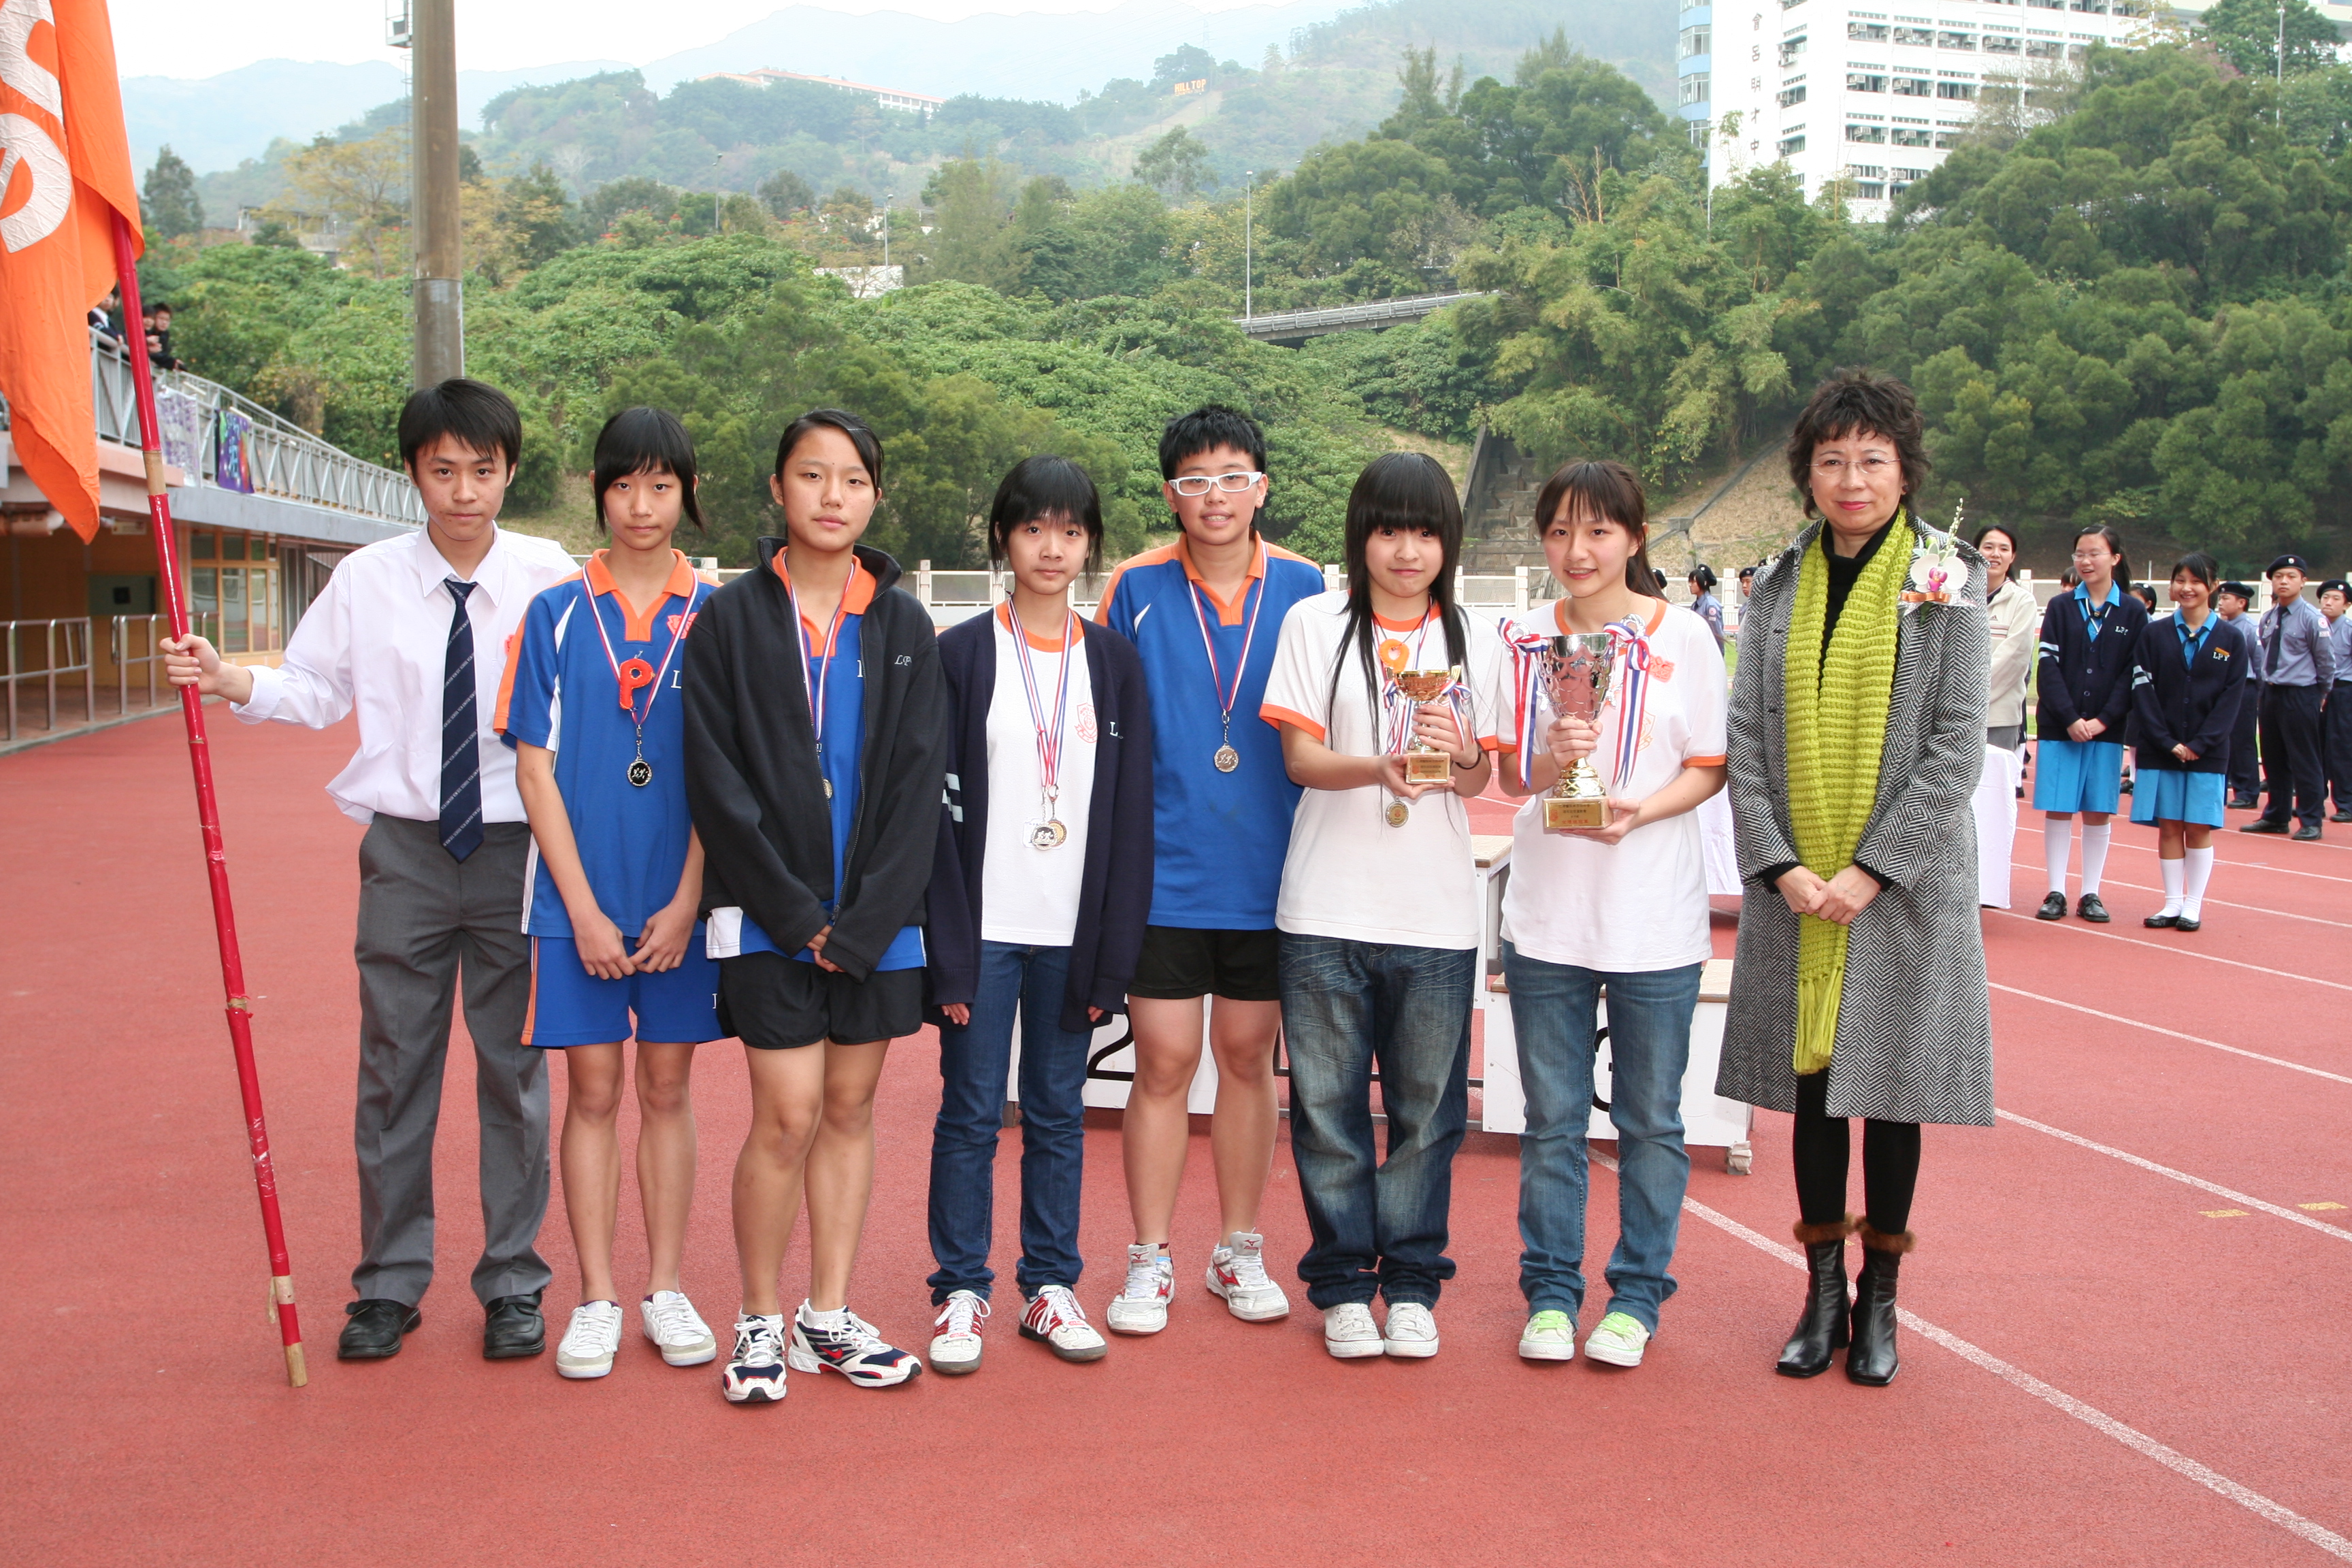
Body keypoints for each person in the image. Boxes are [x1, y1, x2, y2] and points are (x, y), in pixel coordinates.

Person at [161, 379, 578, 1362]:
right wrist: (230, 679)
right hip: (406, 854)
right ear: (412, 474)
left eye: (483, 470)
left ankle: (513, 1282)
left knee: (515, 1072)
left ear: (511, 473)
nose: (464, 491)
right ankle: (388, 1284)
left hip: (519, 849)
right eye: (443, 470)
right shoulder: (367, 579)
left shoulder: (553, 578)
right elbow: (314, 687)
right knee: (394, 1067)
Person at [1718, 368, 1993, 1388]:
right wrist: (1782, 864)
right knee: (1816, 1096)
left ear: (1904, 471)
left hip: (1899, 892)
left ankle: (1881, 1298)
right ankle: (1821, 1292)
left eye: (1872, 460)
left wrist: (1872, 870)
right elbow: (1747, 739)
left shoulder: (1948, 581)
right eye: (1831, 460)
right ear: (1808, 473)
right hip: (1799, 889)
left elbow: (1956, 746)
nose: (1852, 479)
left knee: (1892, 1094)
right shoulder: (1777, 583)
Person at [683, 408, 947, 1403]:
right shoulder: (732, 617)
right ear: (777, 489)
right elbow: (715, 781)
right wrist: (796, 916)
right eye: (811, 475)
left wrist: (869, 923)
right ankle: (758, 1317)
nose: (832, 496)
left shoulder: (904, 623)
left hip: (878, 923)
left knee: (848, 1109)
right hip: (769, 917)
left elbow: (919, 783)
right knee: (786, 1115)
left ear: (875, 495)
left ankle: (826, 1316)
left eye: (852, 479)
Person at [1258, 452, 1505, 1360]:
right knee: (1327, 1112)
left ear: (1449, 542)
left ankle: (1410, 1285)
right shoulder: (1315, 623)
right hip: (1326, 908)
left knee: (1427, 1116)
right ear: (1361, 536)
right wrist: (1380, 766)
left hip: (1435, 911)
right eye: (1390, 530)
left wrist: (1460, 750)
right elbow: (1300, 761)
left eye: (1426, 532)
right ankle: (1340, 1286)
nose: (1407, 551)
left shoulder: (1475, 636)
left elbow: (1480, 777)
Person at [497, 408, 725, 1381]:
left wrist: (688, 901)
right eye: (624, 485)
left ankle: (665, 1288)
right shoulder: (554, 613)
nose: (641, 505)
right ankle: (596, 1296)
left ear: (687, 494)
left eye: (661, 486)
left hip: (680, 902)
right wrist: (583, 911)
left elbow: (728, 774)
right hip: (574, 905)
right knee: (591, 1092)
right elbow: (534, 771)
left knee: (668, 1090)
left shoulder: (717, 615)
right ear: (599, 492)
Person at [1094, 406, 1326, 1335]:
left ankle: (1237, 1248)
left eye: (1232, 477)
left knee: (1246, 1059)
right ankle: (1149, 1256)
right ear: (1170, 495)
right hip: (1163, 874)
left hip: (1273, 874)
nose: (1215, 496)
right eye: (1194, 481)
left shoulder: (1307, 587)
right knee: (1162, 1062)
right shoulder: (1136, 586)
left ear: (1262, 486)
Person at [922, 457, 1154, 1374]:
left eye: (1070, 530)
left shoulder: (1115, 663)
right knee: (971, 1113)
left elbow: (1131, 817)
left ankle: (1050, 1285)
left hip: (1073, 934)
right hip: (983, 932)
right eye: (1032, 529)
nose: (1051, 548)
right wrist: (946, 953)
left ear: (1090, 542)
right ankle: (960, 1290)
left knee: (1059, 1112)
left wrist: (1113, 958)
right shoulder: (961, 655)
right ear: (1003, 538)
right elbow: (932, 820)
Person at [1494, 460, 1727, 1369]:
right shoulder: (1524, 636)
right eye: (1559, 532)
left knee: (1650, 1120)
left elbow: (1709, 766)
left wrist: (1640, 811)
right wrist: (1557, 756)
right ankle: (1552, 1295)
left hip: (1653, 919)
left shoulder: (1688, 637)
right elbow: (1512, 774)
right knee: (1551, 1119)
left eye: (1597, 531)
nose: (1577, 550)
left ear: (1635, 536)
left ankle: (1635, 1296)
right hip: (1549, 915)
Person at [2031, 525, 2147, 921]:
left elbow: (2132, 673)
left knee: (2098, 809)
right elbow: (2048, 667)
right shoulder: (2061, 607)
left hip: (2106, 730)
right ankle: (2056, 891)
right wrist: (2070, 718)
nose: (2085, 561)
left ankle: (2091, 893)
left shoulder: (2133, 612)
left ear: (2115, 558)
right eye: (2079, 554)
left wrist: (2103, 720)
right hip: (2060, 726)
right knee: (2059, 808)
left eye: (2095, 553)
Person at [2128, 553, 2243, 934]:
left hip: (2207, 752)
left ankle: (2193, 904)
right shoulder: (2154, 634)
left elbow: (2231, 699)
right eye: (2180, 580)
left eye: (2196, 581)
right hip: (2161, 749)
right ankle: (2172, 901)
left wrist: (2201, 743)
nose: (2187, 588)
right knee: (2169, 826)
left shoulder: (2231, 639)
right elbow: (2143, 692)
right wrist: (2166, 741)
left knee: (2198, 827)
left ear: (2213, 586)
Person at [2242, 554, 2336, 840]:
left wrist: (2321, 693)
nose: (2284, 582)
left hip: (2301, 693)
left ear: (2303, 582)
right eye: (2279, 576)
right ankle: (2277, 815)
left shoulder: (2312, 618)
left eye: (2291, 576)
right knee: (2273, 757)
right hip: (2271, 692)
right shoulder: (2270, 617)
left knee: (2304, 758)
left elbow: (2326, 661)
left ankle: (2311, 819)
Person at [1973, 522, 2037, 909]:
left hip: (1997, 718)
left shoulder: (2022, 602)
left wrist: (1967, 694)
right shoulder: (1956, 594)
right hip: (1951, 717)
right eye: (1988, 546)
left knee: (1991, 803)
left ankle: (1988, 886)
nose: (1994, 554)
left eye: (2003, 548)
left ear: (2013, 557)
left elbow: (2013, 659)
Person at [2215, 582, 2264, 809]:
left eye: (2226, 599)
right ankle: (2222, 786)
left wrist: (2260, 693)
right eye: (2221, 598)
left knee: (2243, 740)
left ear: (2241, 603)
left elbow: (2260, 662)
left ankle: (2247, 791)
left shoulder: (2251, 628)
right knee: (2220, 738)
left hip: (2245, 687)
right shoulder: (2220, 627)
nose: (2221, 603)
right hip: (2222, 687)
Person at [2318, 578, 2351, 823]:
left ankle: (2346, 803)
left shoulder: (2349, 630)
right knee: (2314, 747)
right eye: (2325, 598)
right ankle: (2313, 801)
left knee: (2341, 748)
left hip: (2343, 691)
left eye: (2336, 599)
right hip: (2316, 691)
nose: (2329, 603)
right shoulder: (2314, 626)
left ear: (2346, 605)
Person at [1688, 564, 1726, 648]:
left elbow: (1717, 634)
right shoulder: (1695, 605)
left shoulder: (1711, 605)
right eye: (1690, 582)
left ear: (1704, 583)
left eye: (1694, 582)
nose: (1690, 585)